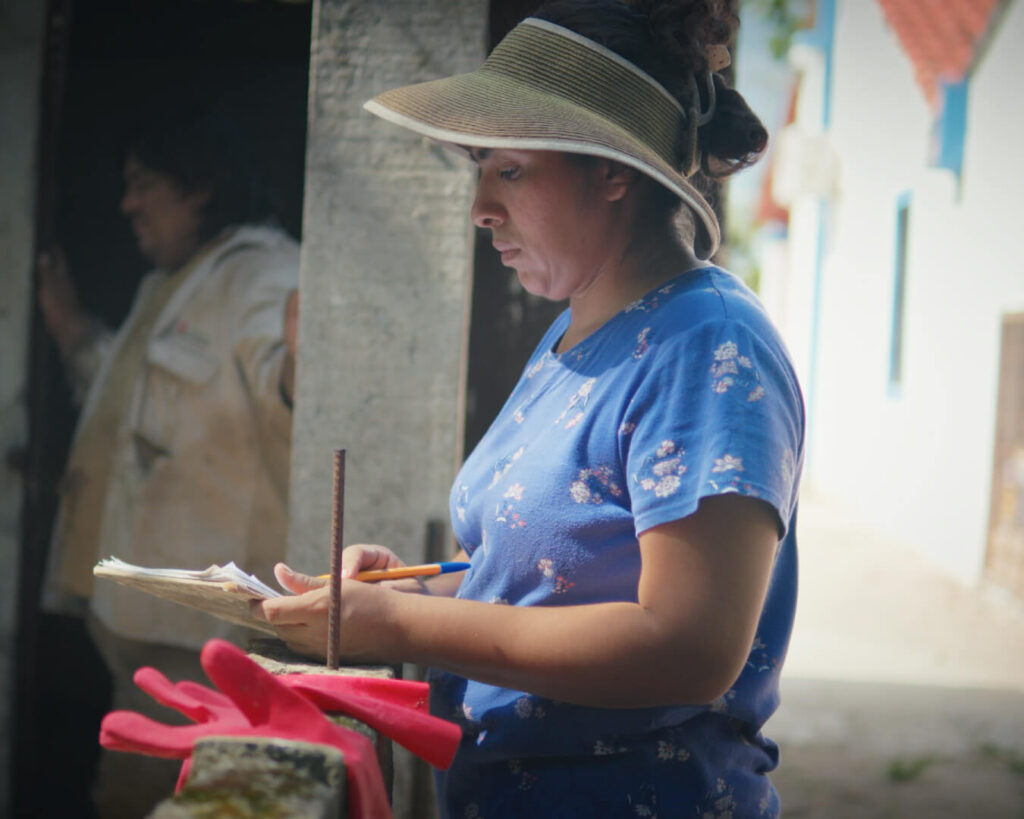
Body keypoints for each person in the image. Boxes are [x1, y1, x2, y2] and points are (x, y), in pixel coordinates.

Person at [259, 1, 803, 815]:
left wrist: (402, 629)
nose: (480, 206)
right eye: (478, 169)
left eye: (509, 169)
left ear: (613, 169)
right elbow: (554, 584)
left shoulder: (709, 344)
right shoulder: (575, 331)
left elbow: (688, 645)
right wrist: (405, 595)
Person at [38, 105, 300, 817]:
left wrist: (303, 363)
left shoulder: (261, 270)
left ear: (198, 187)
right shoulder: (169, 285)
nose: (127, 204)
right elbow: (120, 414)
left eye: (142, 183)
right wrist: (67, 326)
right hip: (149, 634)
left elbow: (293, 394)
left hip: (205, 644)